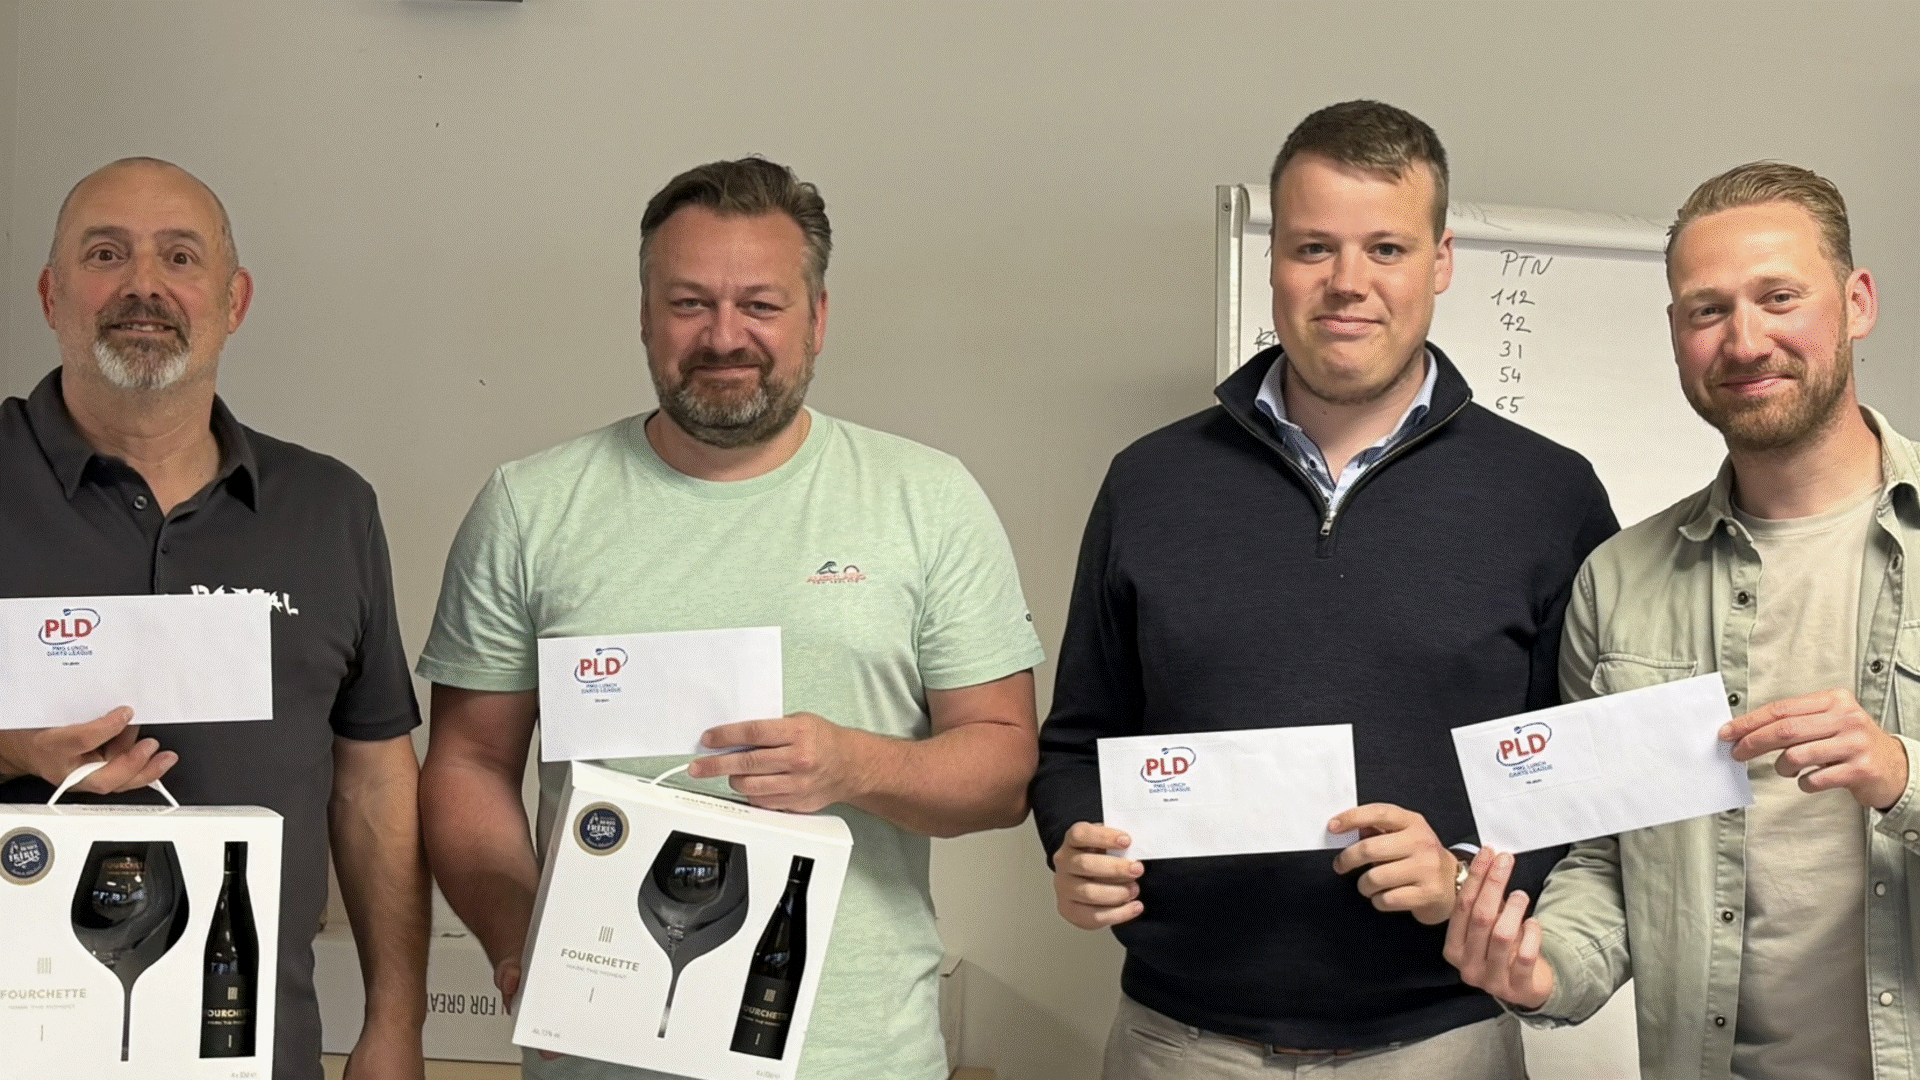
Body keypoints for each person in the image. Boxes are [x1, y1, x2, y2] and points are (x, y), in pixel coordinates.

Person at [415, 156, 1043, 1080]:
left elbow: (1004, 768)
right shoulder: (529, 508)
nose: (723, 336)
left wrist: (855, 763)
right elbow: (468, 763)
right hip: (598, 1051)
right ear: (644, 315)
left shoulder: (928, 500)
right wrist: (518, 939)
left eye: (760, 304)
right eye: (689, 303)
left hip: (858, 1059)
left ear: (816, 318)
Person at [1029, 100, 1616, 1078]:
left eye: (1386, 248)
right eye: (1314, 247)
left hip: (1441, 1046)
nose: (1349, 283)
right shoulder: (1150, 482)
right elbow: (1076, 744)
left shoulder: (1549, 494)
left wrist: (1463, 878)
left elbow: (1590, 782)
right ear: (1273, 261)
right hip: (1179, 1044)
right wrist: (1073, 845)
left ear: (1440, 261)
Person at [1448, 161, 1920, 1078]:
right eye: (1708, 310)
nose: (1744, 341)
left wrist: (1902, 777)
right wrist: (1544, 969)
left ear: (1857, 302)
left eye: (1779, 297)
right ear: (1676, 335)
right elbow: (1607, 858)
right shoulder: (1619, 583)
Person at [0, 157, 428, 1080]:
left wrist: (396, 1021)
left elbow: (374, 788)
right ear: (50, 295)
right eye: (106, 254)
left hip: (255, 1048)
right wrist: (9, 750)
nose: (144, 284)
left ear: (234, 301)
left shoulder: (330, 509)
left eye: (180, 257)